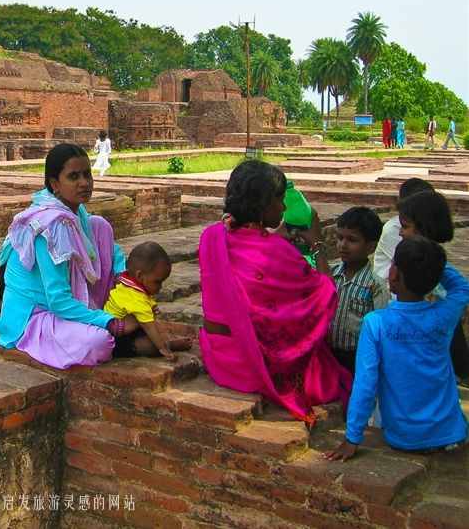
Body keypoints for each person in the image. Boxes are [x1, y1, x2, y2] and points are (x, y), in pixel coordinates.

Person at [198, 160, 352, 423]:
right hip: (250, 366)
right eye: (280, 200)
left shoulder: (211, 236)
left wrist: (272, 237)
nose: (283, 207)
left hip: (219, 355)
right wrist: (316, 244)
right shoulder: (276, 252)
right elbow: (326, 294)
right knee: (329, 372)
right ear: (263, 204)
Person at [0, 143, 132, 369]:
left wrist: (130, 290)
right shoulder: (52, 224)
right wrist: (109, 323)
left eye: (87, 174)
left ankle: (111, 316)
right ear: (55, 185)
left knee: (99, 225)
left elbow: (114, 257)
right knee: (99, 341)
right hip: (36, 315)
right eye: (73, 177)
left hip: (67, 307)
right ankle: (119, 335)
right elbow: (58, 301)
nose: (84, 183)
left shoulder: (76, 214)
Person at [326, 237, 469, 461]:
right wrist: (430, 266)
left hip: (405, 438)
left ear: (394, 275)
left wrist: (353, 437)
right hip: (451, 434)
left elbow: (365, 384)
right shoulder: (443, 315)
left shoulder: (377, 323)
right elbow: (461, 287)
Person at [397, 190, 469, 381]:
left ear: (424, 229)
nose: (400, 232)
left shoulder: (437, 272)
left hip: (439, 350)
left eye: (405, 226)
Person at [328, 207, 388, 373]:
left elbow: (381, 329)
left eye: (352, 240)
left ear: (371, 247)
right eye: (340, 238)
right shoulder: (331, 275)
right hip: (327, 353)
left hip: (357, 357)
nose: (343, 245)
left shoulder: (375, 285)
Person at [103, 241, 175, 360]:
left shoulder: (129, 285)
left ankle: (166, 343)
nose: (160, 287)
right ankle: (169, 346)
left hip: (129, 329)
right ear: (140, 276)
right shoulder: (136, 297)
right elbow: (149, 326)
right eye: (157, 282)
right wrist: (163, 349)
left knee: (155, 332)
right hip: (117, 338)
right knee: (150, 344)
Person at [373, 178, 433, 286]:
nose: (401, 232)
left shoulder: (423, 225)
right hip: (391, 289)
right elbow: (414, 265)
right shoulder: (393, 229)